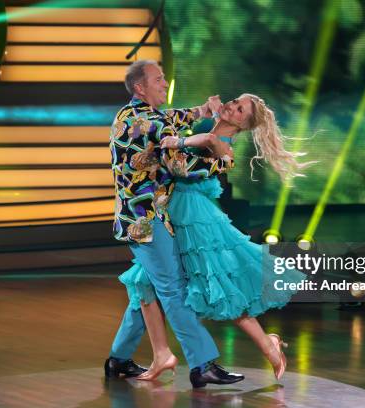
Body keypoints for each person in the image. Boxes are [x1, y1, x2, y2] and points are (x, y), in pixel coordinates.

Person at [119, 93, 313, 382]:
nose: (232, 106)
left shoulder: (220, 144)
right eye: (235, 101)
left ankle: (266, 347)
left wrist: (179, 140)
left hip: (195, 220)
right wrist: (192, 123)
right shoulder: (207, 134)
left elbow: (186, 165)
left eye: (239, 109)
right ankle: (155, 354)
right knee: (146, 282)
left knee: (218, 285)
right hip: (171, 214)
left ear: (242, 124)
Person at [105, 59, 244, 388]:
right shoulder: (154, 122)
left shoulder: (129, 114)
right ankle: (202, 364)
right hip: (148, 223)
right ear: (141, 87)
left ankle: (118, 359)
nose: (164, 83)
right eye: (158, 79)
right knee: (173, 290)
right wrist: (223, 161)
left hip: (132, 218)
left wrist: (201, 112)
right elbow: (182, 169)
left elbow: (170, 119)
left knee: (147, 289)